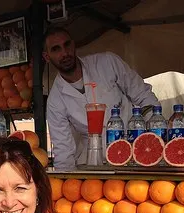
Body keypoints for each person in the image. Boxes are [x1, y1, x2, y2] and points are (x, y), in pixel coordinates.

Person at [43, 26, 159, 171]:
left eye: (67, 45)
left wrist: (156, 136)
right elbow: (63, 149)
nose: (65, 53)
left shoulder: (107, 63)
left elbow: (143, 95)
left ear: (73, 44)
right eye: (56, 49)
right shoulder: (55, 100)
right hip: (96, 165)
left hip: (135, 155)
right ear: (47, 57)